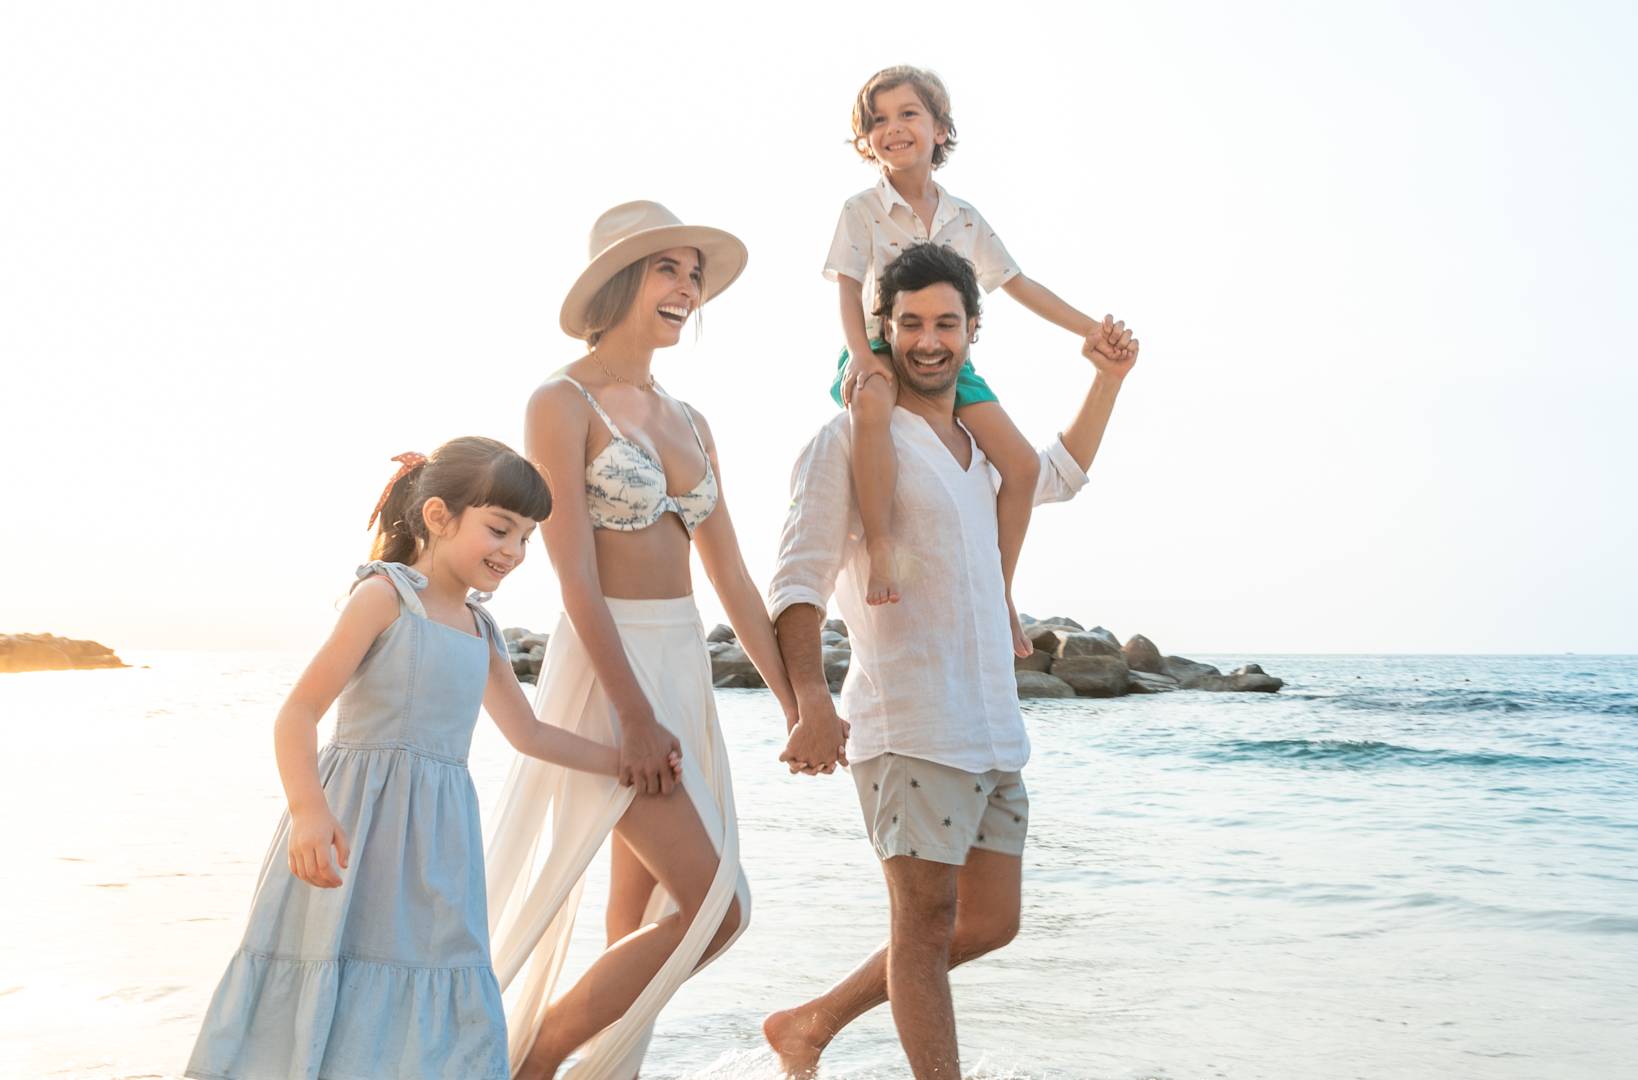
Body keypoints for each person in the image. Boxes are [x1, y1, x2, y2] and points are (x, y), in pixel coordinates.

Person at [765, 242, 1137, 1079]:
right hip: (908, 721)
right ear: (881, 329)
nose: (928, 341)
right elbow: (796, 580)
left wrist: (1107, 379)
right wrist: (810, 703)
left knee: (989, 923)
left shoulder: (980, 445)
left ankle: (810, 1024)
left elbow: (1060, 476)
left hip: (991, 725)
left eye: (946, 323)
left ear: (974, 331)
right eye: (910, 324)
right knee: (924, 925)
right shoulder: (847, 439)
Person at [484, 201, 809, 1080]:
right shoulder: (561, 400)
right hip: (609, 670)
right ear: (623, 281)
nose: (686, 288)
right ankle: (534, 1061)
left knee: (634, 921)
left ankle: (601, 1071)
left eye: (694, 274)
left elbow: (733, 577)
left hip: (682, 666)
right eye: (668, 269)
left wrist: (794, 705)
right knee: (717, 907)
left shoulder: (692, 420)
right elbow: (574, 576)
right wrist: (630, 716)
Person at [185, 438, 625, 1080]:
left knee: (446, 970)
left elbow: (529, 734)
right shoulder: (385, 597)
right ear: (440, 517)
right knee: (330, 964)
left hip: (439, 842)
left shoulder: (481, 628)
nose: (513, 552)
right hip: (352, 827)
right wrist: (309, 812)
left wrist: (624, 760)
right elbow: (298, 714)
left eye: (526, 538)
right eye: (500, 529)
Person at [824, 64, 1129, 658]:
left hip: (949, 364)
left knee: (1018, 465)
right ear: (866, 141)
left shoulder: (965, 218)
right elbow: (844, 286)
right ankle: (882, 542)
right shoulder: (860, 210)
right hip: (881, 347)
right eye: (878, 120)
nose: (893, 128)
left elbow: (1018, 283)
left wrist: (1090, 328)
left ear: (940, 129)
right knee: (871, 404)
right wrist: (862, 356)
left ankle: (1000, 590)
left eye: (908, 113)